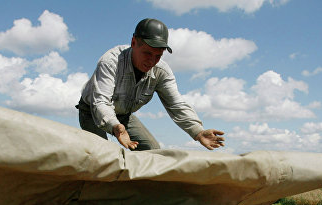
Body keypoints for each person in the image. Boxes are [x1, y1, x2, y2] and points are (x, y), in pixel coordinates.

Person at [76, 18, 225, 151]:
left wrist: (198, 132)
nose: (152, 61)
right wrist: (115, 127)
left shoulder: (161, 72)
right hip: (91, 111)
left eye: (158, 56)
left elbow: (176, 104)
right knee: (102, 154)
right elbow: (100, 102)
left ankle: (138, 182)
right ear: (133, 43)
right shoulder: (111, 62)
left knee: (152, 151)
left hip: (123, 116)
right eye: (147, 53)